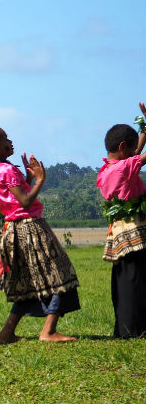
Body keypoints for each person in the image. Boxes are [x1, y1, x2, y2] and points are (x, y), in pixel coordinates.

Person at [0, 125, 80, 343]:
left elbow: (13, 195)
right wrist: (40, 180)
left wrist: (25, 176)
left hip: (15, 229)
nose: (10, 141)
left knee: (30, 281)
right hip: (30, 227)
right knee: (59, 275)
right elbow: (24, 201)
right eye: (5, 139)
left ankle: (6, 333)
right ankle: (48, 331)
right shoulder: (7, 170)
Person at [95, 104, 145, 338]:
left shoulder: (107, 169)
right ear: (123, 147)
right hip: (133, 227)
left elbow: (135, 153)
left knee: (125, 279)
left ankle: (125, 328)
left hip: (118, 230)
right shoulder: (124, 168)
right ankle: (134, 329)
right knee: (136, 278)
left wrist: (144, 128)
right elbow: (140, 157)